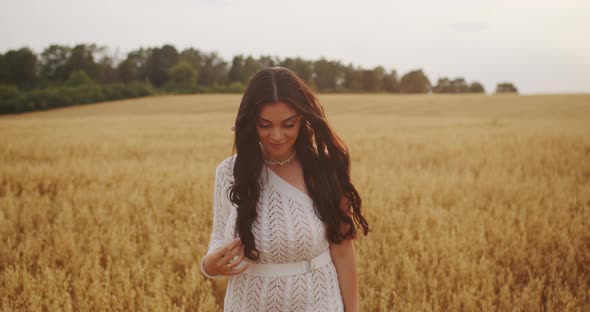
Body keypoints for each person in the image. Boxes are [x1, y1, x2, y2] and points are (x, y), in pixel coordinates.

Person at [200, 66, 370, 311]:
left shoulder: (326, 167)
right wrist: (209, 266)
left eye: (288, 124)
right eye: (265, 125)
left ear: (302, 118)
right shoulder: (229, 172)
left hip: (318, 303)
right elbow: (219, 239)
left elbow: (342, 248)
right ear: (251, 123)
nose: (277, 135)